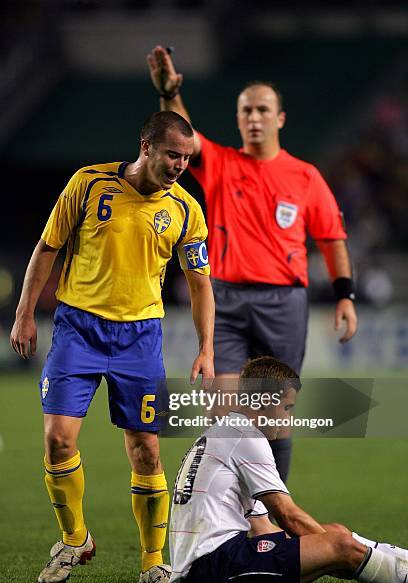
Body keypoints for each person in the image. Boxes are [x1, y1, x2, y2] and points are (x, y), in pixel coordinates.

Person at [10, 111, 215, 583]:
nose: (180, 165)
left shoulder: (185, 209)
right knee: (58, 439)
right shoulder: (88, 183)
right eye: (172, 155)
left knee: (145, 449)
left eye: (186, 158)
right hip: (77, 329)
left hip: (140, 338)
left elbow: (200, 284)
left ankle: (152, 561)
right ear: (146, 147)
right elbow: (47, 248)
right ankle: (75, 537)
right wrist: (24, 313)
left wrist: (207, 348)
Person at [147, 46, 358, 483]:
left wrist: (345, 297)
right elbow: (184, 132)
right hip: (224, 300)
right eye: (247, 110)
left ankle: (271, 515)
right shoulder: (221, 163)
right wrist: (170, 93)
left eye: (263, 109)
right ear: (239, 118)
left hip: (283, 303)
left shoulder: (305, 176)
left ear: (280, 118)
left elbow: (332, 240)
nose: (255, 117)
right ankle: (227, 512)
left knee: (274, 413)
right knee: (221, 408)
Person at [169, 356, 408, 583]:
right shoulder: (246, 437)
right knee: (341, 545)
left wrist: (324, 546)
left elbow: (263, 527)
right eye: (286, 408)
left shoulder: (227, 431)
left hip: (206, 562)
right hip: (211, 565)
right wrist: (333, 550)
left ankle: (401, 560)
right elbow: (288, 516)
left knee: (336, 532)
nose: (288, 419)